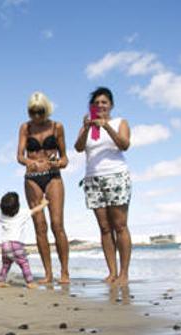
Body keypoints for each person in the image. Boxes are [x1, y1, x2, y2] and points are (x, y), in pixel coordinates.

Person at [74, 86, 132, 286]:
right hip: (93, 179)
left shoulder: (119, 122)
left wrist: (106, 126)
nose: (100, 106)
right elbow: (79, 147)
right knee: (105, 228)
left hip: (116, 176)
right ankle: (112, 272)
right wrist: (88, 128)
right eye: (96, 103)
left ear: (111, 105)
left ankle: (124, 274)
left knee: (120, 226)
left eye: (104, 102)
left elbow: (124, 144)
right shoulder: (88, 126)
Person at [16, 91, 70, 284]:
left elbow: (65, 159)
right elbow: (20, 156)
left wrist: (58, 163)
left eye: (40, 111)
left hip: (53, 176)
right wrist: (29, 162)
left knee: (57, 225)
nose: (36, 116)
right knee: (40, 227)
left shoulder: (57, 127)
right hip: (32, 178)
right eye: (33, 112)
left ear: (46, 110)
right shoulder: (25, 127)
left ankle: (64, 272)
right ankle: (48, 274)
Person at [0, 192, 49, 289]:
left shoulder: (2, 215)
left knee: (6, 264)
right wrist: (44, 204)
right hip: (16, 244)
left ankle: (1, 280)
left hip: (5, 245)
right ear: (18, 206)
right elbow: (35, 210)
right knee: (24, 263)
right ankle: (30, 282)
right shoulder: (23, 213)